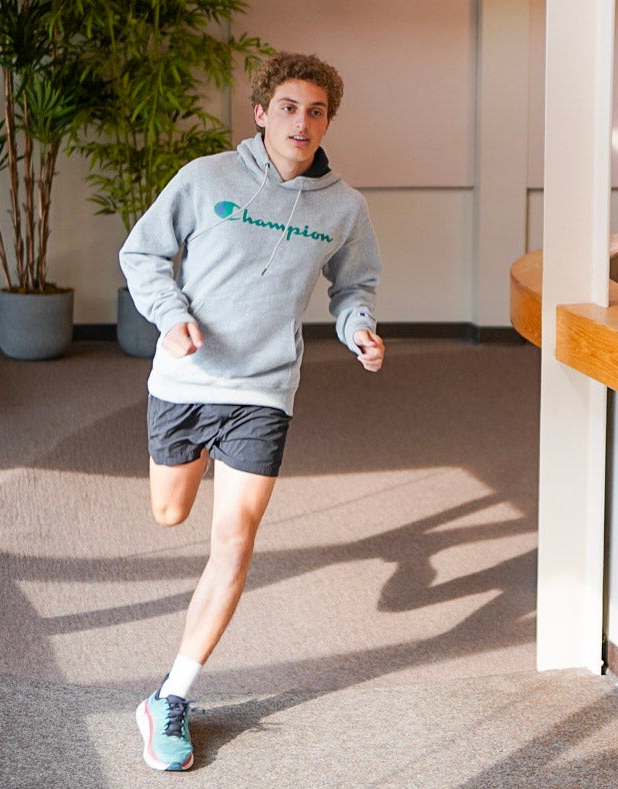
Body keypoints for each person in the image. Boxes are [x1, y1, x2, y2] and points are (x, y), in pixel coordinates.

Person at [119, 51, 384, 772]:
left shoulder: (342, 206)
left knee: (233, 540)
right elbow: (141, 255)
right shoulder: (205, 179)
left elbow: (351, 285)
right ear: (262, 112)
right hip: (185, 377)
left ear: (328, 121)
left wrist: (356, 325)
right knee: (169, 513)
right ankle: (187, 466)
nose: (302, 122)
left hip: (263, 390)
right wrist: (169, 315)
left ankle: (171, 694)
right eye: (290, 107)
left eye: (317, 111)